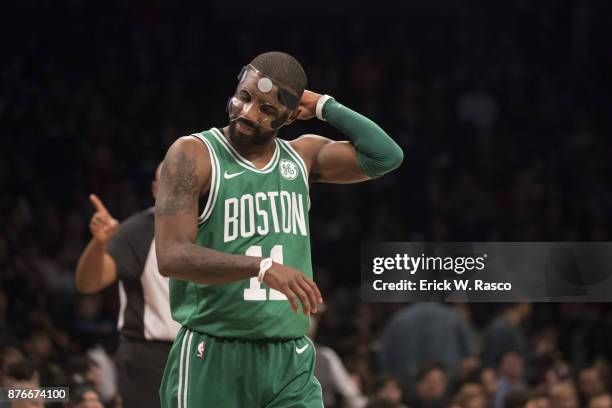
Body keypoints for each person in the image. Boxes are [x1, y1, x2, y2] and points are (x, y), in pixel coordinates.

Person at [155, 51, 403, 407]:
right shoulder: (194, 154)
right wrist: (260, 267)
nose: (247, 113)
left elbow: (386, 156)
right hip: (215, 350)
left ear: (289, 117)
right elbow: (172, 256)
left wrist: (322, 105)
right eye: (244, 96)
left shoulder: (302, 157)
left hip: (289, 356)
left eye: (267, 110)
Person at [75, 163, 180, 407]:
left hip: (201, 354)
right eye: (167, 182)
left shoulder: (214, 228)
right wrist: (98, 245)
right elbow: (88, 283)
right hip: (150, 358)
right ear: (155, 189)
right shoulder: (137, 232)